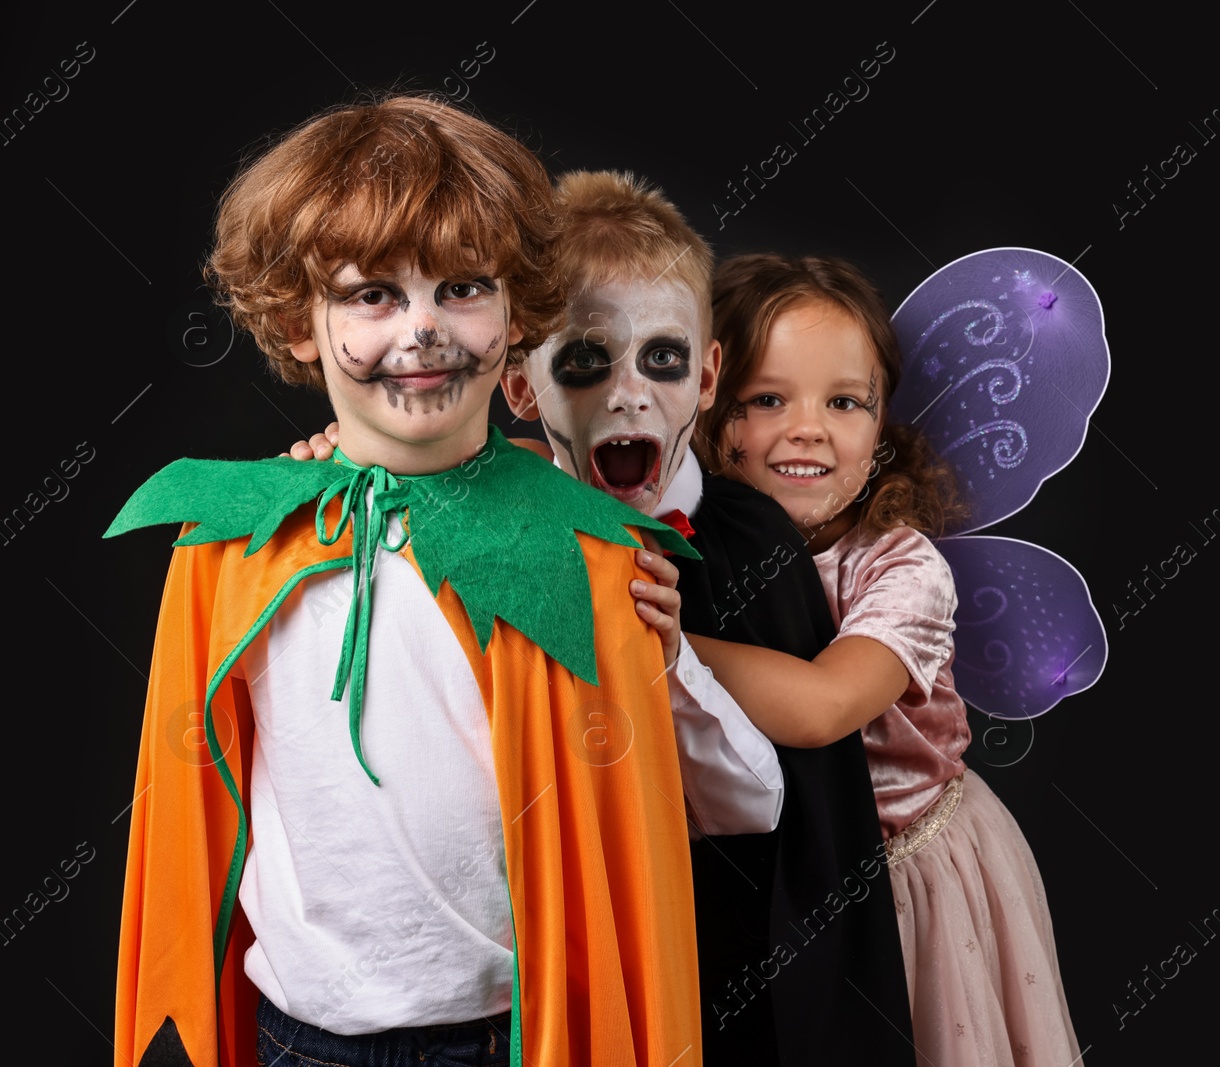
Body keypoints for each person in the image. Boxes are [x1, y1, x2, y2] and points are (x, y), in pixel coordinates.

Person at [105, 95, 702, 1067]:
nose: (421, 330)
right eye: (373, 295)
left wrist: (670, 658)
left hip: (515, 1028)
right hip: (303, 1031)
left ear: (517, 313)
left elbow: (638, 844)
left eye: (463, 288)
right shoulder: (231, 542)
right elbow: (192, 796)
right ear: (303, 321)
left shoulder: (587, 551)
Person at [285, 170, 916, 1066]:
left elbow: (800, 800)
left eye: (660, 361)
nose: (626, 396)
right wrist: (338, 460)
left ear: (704, 380)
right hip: (562, 959)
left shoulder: (749, 538)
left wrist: (653, 641)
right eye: (585, 362)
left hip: (739, 945)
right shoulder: (492, 522)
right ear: (521, 388)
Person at [650, 252, 1087, 1065]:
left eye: (845, 402)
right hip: (768, 880)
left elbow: (822, 707)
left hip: (900, 871)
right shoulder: (684, 537)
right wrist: (351, 448)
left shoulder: (900, 566)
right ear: (705, 409)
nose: (809, 426)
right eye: (767, 399)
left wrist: (661, 642)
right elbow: (542, 469)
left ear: (881, 428)